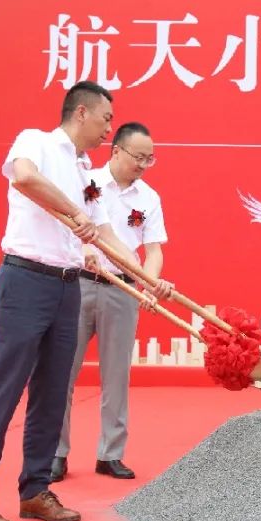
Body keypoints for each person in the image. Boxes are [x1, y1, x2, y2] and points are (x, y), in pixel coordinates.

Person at [0, 81, 138, 521]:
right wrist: (73, 214)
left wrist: (147, 279)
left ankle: (34, 490)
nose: (108, 130)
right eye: (106, 119)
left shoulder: (87, 174)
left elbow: (106, 233)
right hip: (25, 279)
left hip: (66, 286)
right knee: (6, 388)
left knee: (54, 392)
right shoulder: (34, 141)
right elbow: (25, 178)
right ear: (81, 113)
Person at [52, 122, 173, 483]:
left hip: (122, 289)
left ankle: (111, 453)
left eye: (149, 159)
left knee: (116, 376)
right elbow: (72, 226)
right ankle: (55, 452)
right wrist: (87, 249)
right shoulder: (85, 181)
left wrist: (150, 285)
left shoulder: (148, 198)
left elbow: (153, 250)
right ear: (116, 150)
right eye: (139, 157)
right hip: (78, 283)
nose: (143, 164)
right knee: (62, 372)